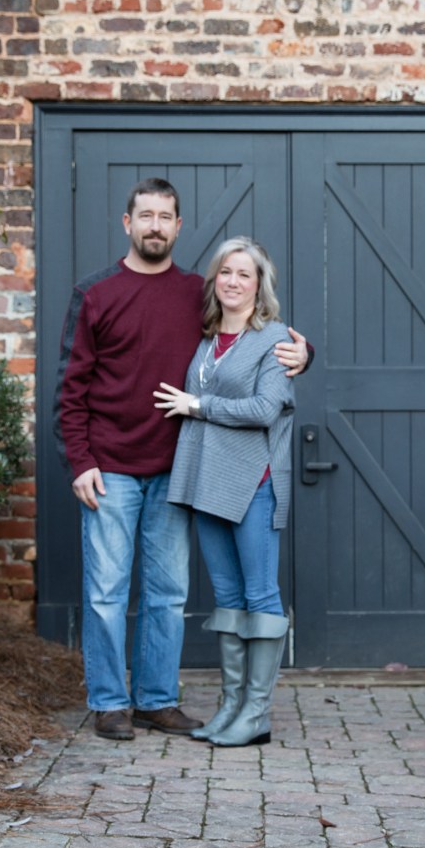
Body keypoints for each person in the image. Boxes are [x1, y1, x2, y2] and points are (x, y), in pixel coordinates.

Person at [55, 179, 309, 741]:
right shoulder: (94, 293)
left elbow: (252, 335)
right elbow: (70, 386)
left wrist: (302, 352)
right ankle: (109, 701)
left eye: (164, 216)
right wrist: (79, 460)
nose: (154, 226)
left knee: (168, 592)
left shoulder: (199, 293)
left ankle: (156, 699)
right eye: (144, 215)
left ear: (178, 226)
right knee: (106, 591)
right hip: (110, 466)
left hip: (177, 469)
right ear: (127, 223)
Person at [154, 236, 294, 748]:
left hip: (252, 483)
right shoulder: (207, 340)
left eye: (245, 274)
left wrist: (198, 406)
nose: (233, 281)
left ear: (260, 287)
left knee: (260, 595)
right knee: (229, 597)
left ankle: (256, 714)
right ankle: (231, 706)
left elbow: (265, 409)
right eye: (226, 273)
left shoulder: (274, 340)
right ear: (215, 280)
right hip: (206, 482)